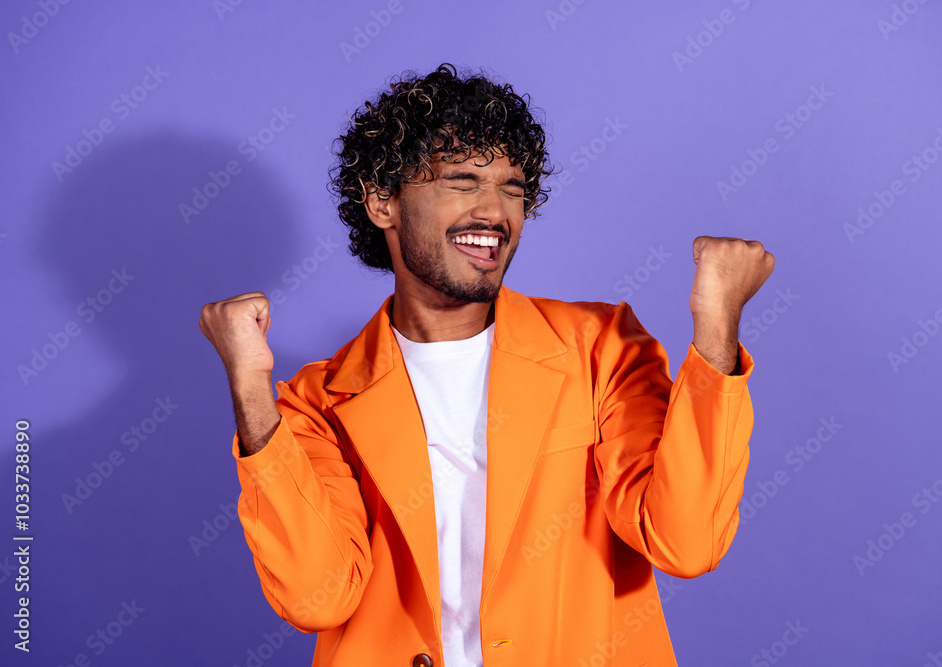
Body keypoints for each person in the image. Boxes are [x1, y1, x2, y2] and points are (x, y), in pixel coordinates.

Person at [199, 63, 774, 667]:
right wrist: (249, 384)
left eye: (513, 189)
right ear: (382, 202)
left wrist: (716, 330)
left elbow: (685, 542)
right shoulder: (315, 403)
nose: (495, 212)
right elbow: (317, 597)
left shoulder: (601, 347)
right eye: (464, 181)